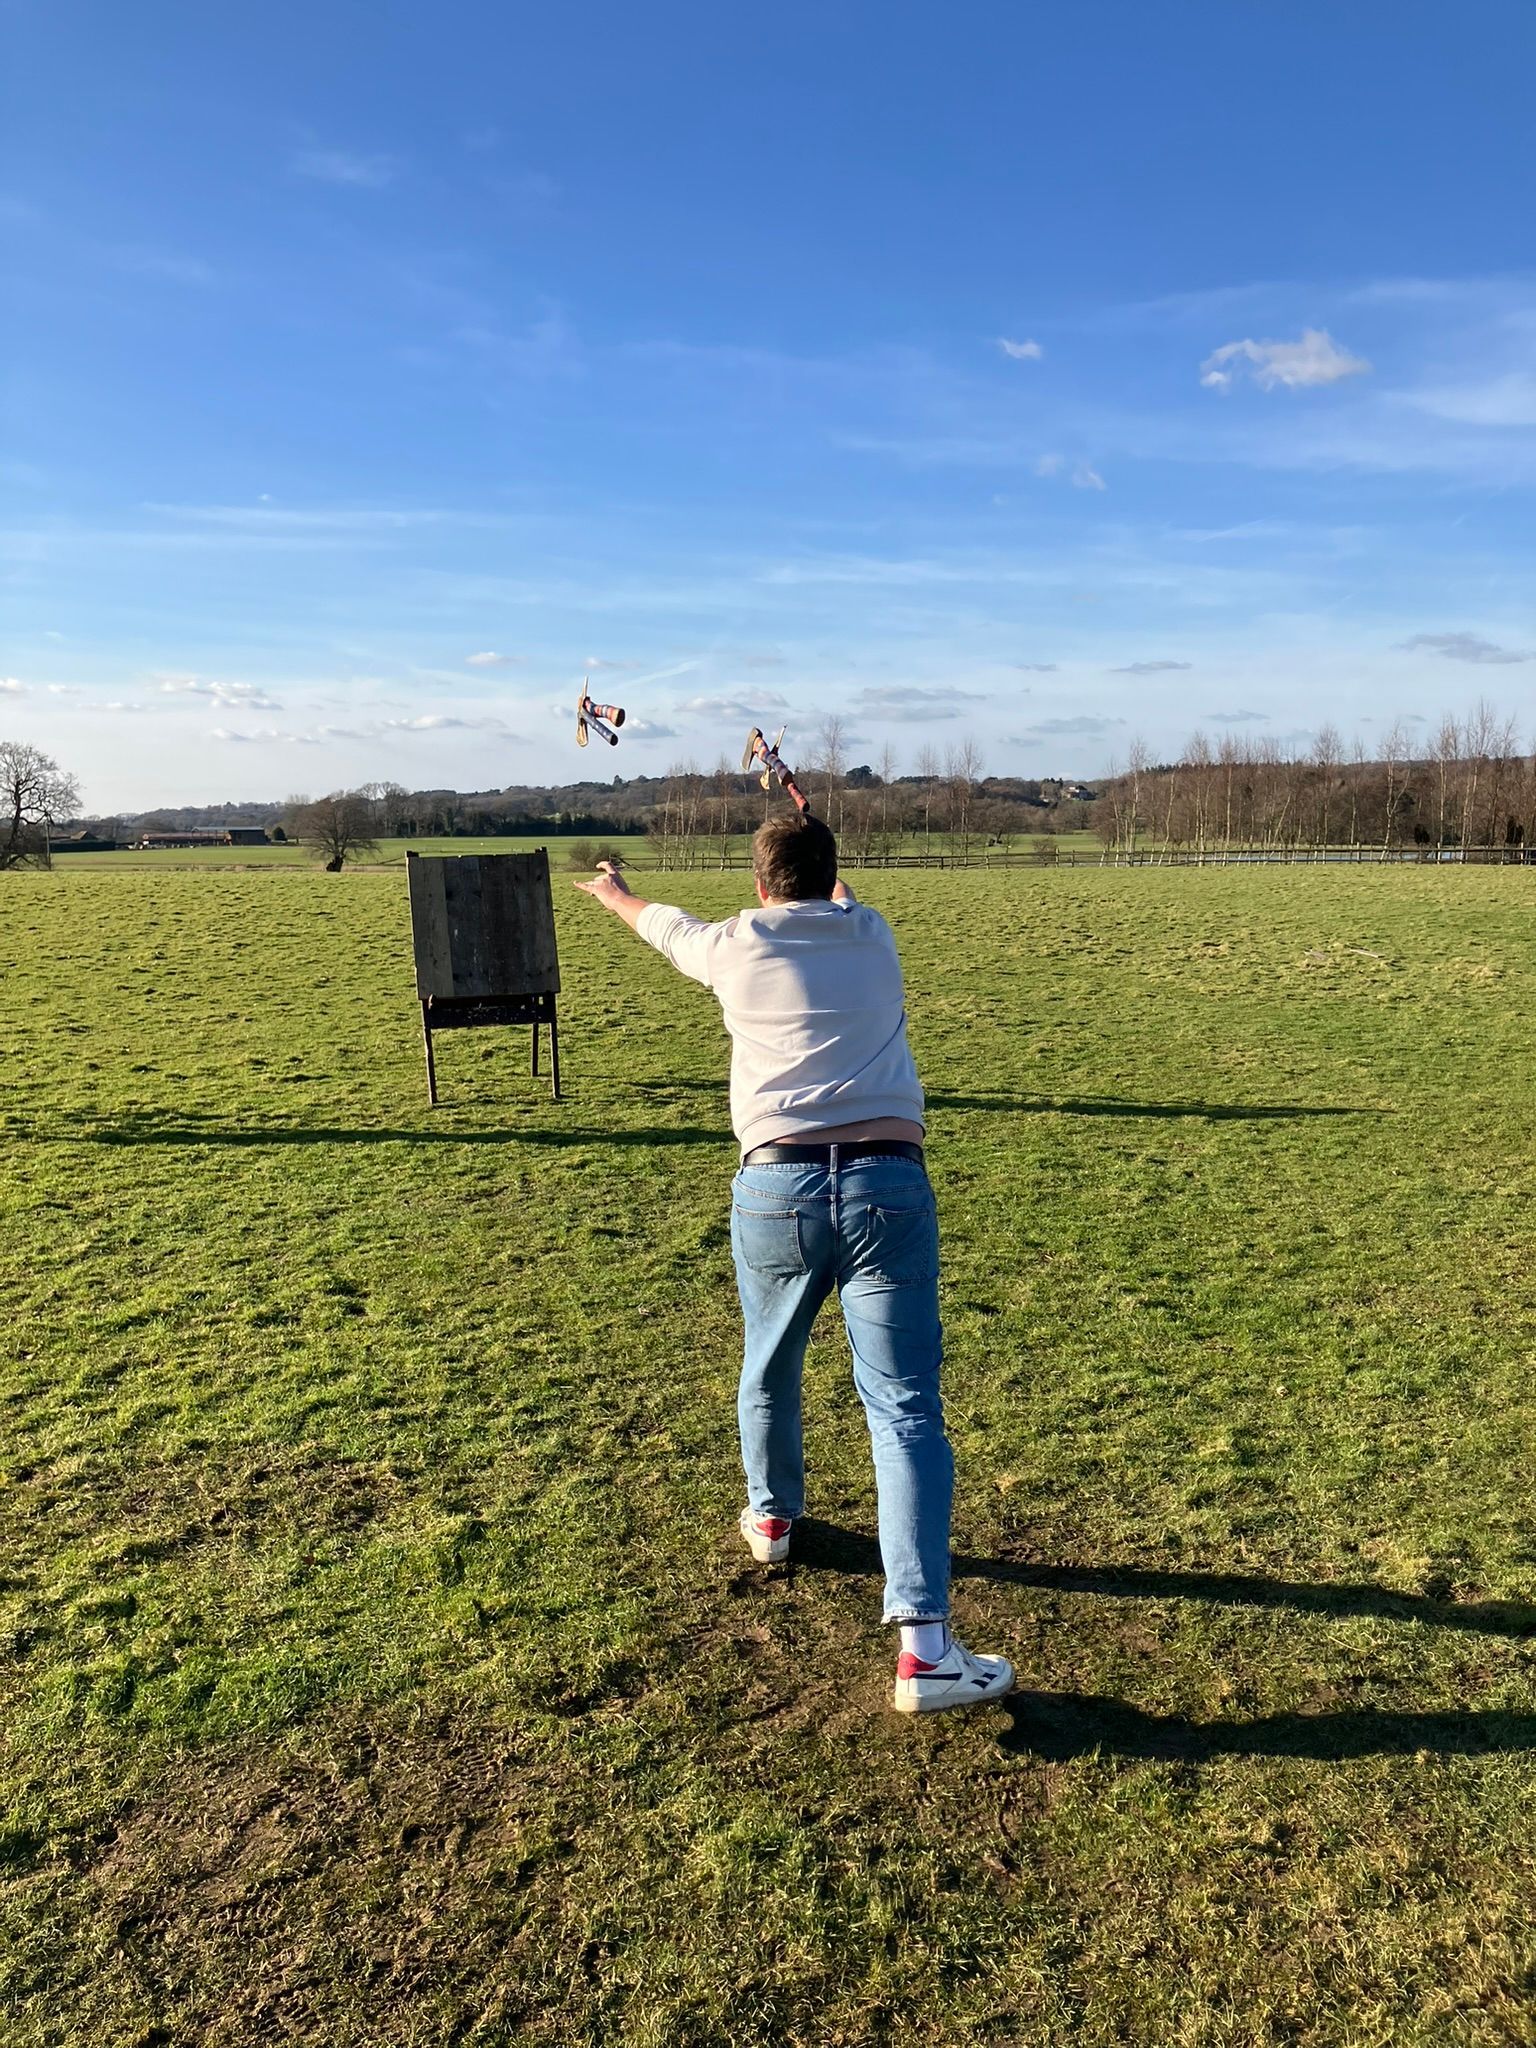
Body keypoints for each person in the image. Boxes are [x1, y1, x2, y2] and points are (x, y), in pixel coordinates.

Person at [574, 811, 1012, 1714]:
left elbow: (659, 924)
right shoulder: (873, 934)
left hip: (776, 1187)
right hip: (890, 1180)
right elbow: (843, 897)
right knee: (904, 1405)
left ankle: (771, 1518)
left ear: (762, 884)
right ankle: (924, 1649)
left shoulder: (735, 943)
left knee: (768, 1363)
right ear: (833, 876)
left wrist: (613, 892)